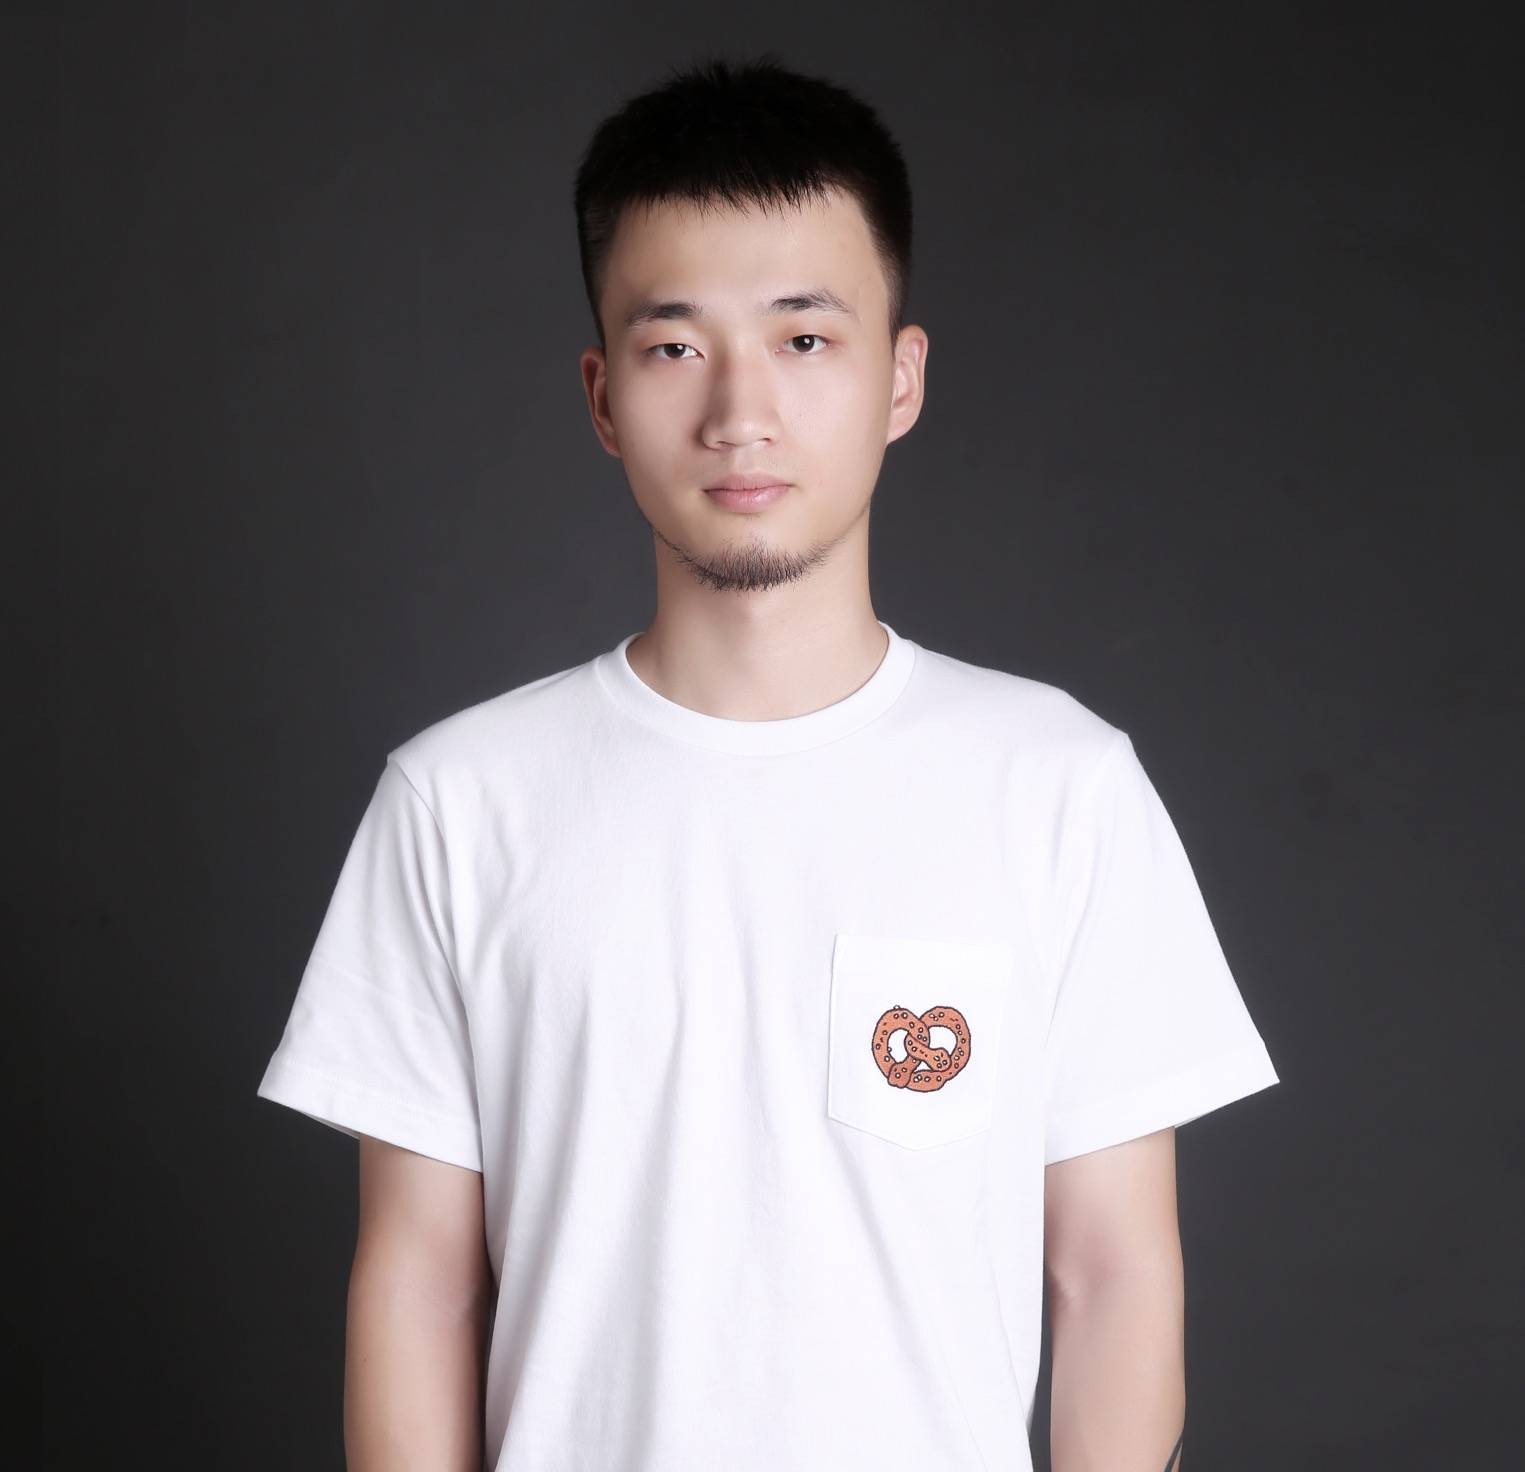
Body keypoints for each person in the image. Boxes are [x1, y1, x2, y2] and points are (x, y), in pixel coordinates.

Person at [256, 52, 1277, 1472]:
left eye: (803, 338)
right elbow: (420, 1282)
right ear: (603, 396)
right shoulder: (458, 803)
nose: (741, 411)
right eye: (675, 347)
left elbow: (1111, 1271)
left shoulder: (1058, 785)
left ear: (899, 378)